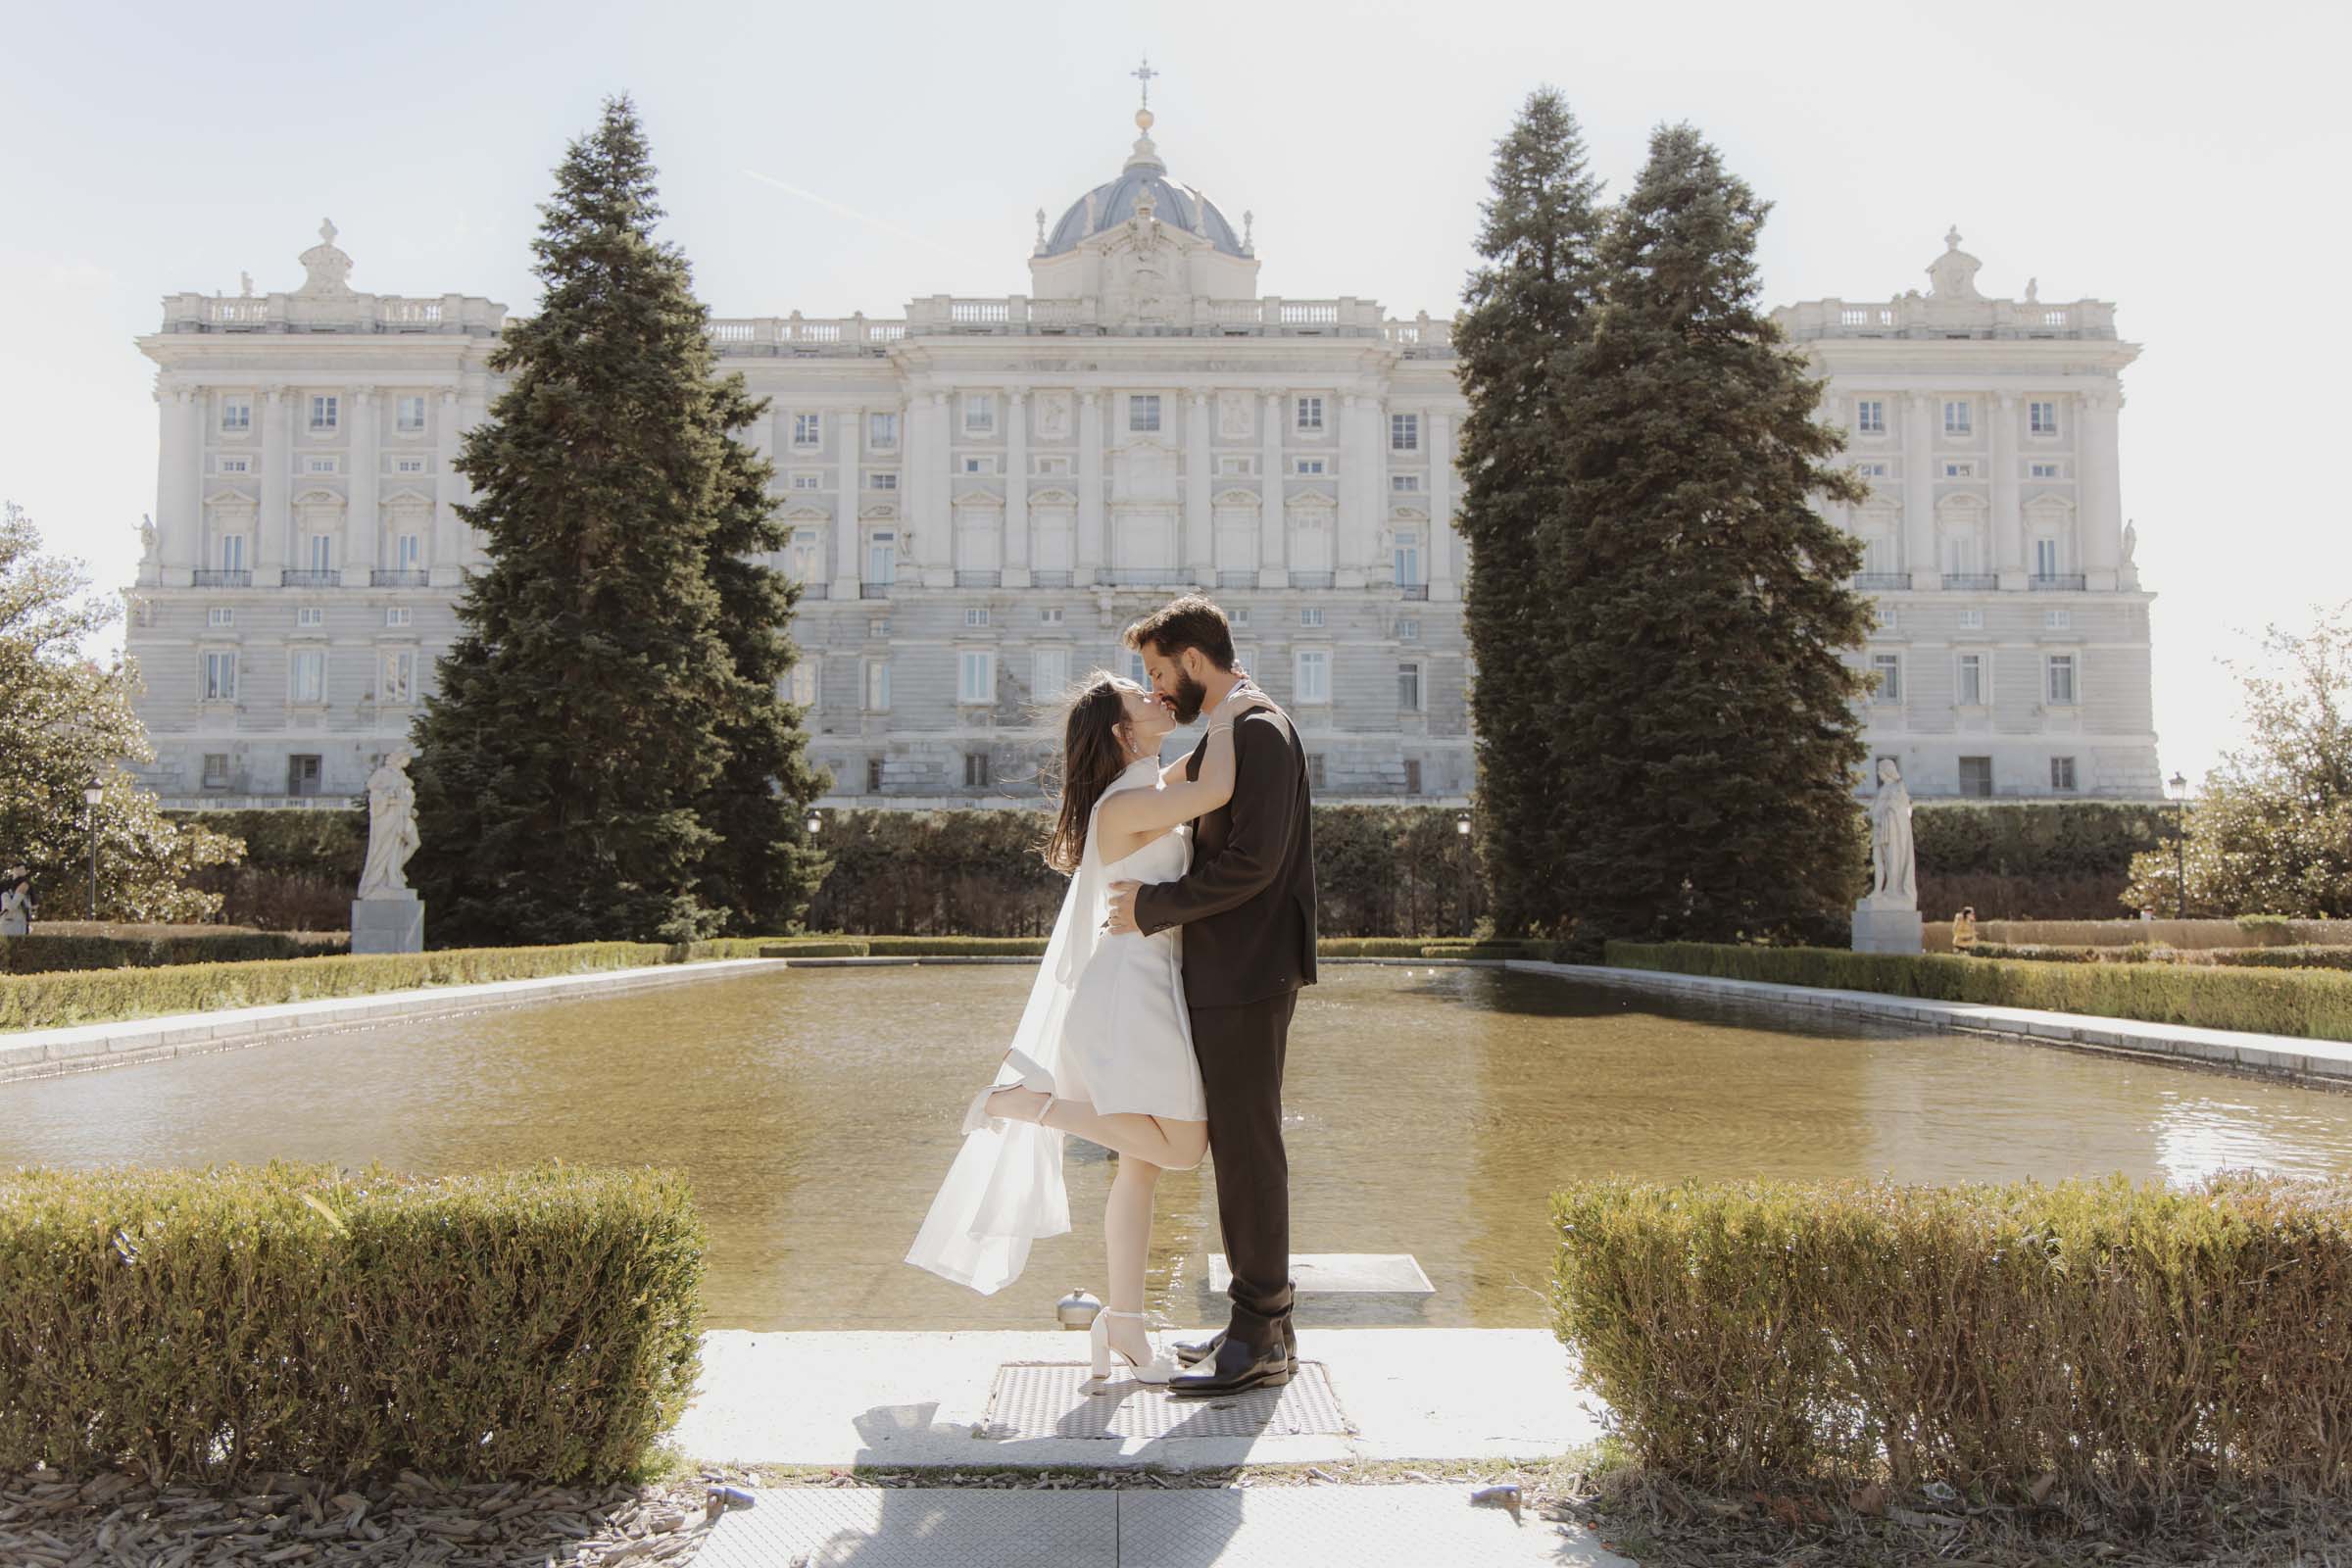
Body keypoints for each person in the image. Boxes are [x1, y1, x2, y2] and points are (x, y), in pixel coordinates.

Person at [907, 666, 1260, 1385]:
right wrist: (1230, 709)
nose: (1156, 695)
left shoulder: (1143, 788)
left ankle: (1123, 1321)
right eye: (1140, 695)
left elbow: (1195, 771)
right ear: (1122, 730)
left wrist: (1222, 710)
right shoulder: (1124, 804)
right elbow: (1219, 786)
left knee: (1141, 1167)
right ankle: (1023, 1105)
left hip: (1148, 983)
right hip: (1130, 993)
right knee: (1184, 1147)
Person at [1106, 595, 1317, 1398]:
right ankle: (1264, 1328)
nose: (1158, 688)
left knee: (1249, 1149)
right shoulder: (1239, 726)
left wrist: (1152, 908)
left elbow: (1254, 863)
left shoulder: (1258, 729)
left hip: (1246, 971)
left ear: (1194, 659)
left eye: (1160, 671)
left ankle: (1259, 1332)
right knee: (1239, 1147)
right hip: (1236, 970)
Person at [0, 866, 33, 937]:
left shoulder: (25, 896)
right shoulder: (5, 894)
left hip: (18, 926)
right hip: (9, 926)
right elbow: (9, 907)